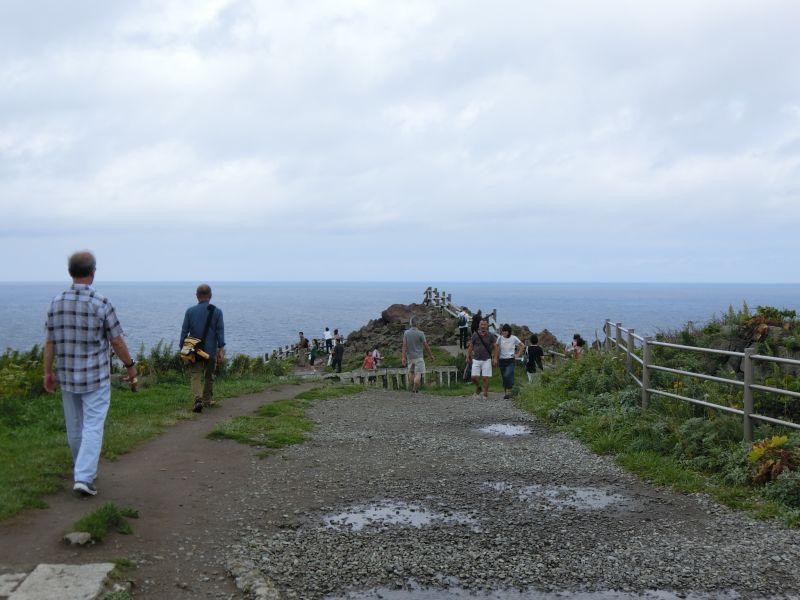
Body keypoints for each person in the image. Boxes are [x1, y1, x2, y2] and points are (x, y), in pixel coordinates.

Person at [43, 251, 138, 497]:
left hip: (67, 375)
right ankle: (84, 477)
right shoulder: (101, 302)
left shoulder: (56, 302)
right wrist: (130, 365)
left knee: (74, 426)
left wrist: (47, 372)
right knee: (93, 425)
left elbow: (50, 342)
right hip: (95, 377)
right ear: (93, 271)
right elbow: (116, 341)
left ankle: (82, 471)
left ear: (70, 272)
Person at [181, 284, 226, 413]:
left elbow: (184, 332)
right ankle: (207, 399)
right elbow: (220, 332)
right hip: (210, 350)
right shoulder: (217, 312)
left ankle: (198, 400)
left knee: (195, 375)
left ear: (197, 296)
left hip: (194, 350)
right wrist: (221, 349)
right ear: (210, 296)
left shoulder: (190, 311)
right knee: (209, 375)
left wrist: (182, 349)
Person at [401, 315, 435, 393]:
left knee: (411, 372)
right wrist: (431, 355)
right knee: (418, 373)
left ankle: (411, 386)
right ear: (418, 323)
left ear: (410, 323)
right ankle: (415, 387)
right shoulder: (421, 333)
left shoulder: (406, 333)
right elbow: (426, 345)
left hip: (410, 357)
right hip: (419, 357)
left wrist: (403, 357)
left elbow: (404, 345)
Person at [467, 318, 498, 399]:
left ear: (487, 326)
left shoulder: (491, 335)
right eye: (481, 324)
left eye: (484, 324)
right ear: (479, 325)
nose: (483, 326)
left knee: (485, 378)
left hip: (486, 359)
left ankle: (485, 393)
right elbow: (471, 346)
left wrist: (495, 358)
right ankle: (478, 387)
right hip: (476, 359)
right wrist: (467, 356)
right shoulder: (475, 334)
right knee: (473, 377)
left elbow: (495, 347)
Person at [497, 324, 524, 399]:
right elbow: (496, 347)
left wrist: (518, 354)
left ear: (509, 331)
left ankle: (509, 390)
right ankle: (507, 393)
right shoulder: (500, 338)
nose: (504, 332)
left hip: (511, 360)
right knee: (504, 377)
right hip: (502, 360)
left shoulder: (513, 338)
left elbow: (522, 346)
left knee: (507, 375)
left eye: (506, 331)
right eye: (503, 331)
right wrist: (495, 357)